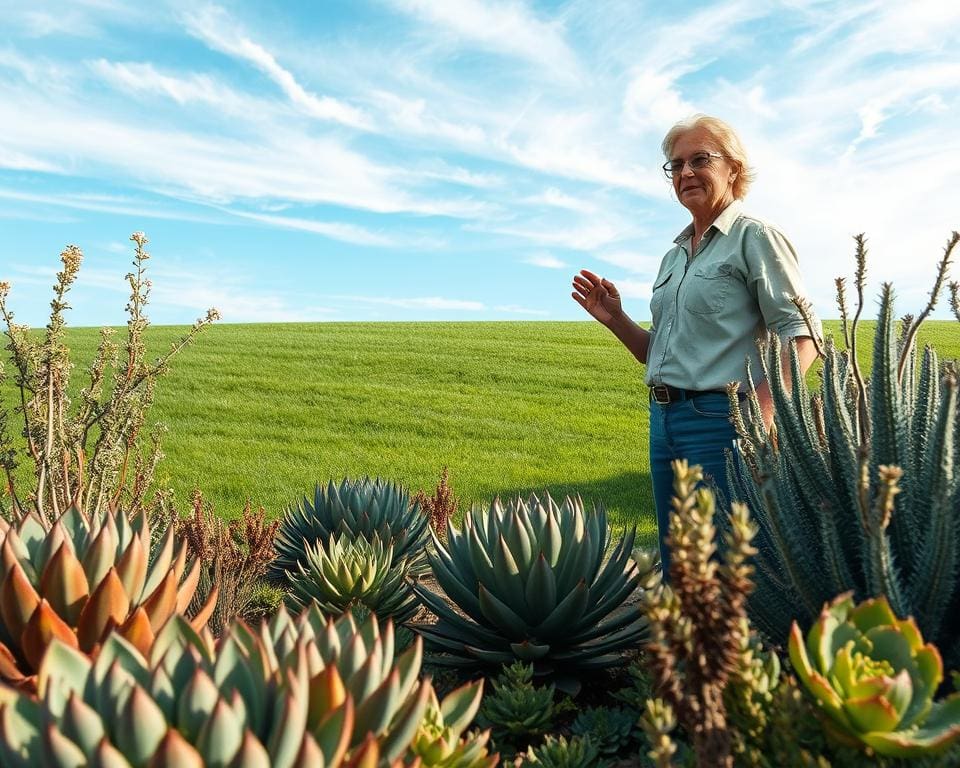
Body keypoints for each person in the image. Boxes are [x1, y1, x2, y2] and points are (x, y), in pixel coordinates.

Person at [571, 114, 821, 575]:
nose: (685, 173)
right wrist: (616, 319)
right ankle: (685, 648)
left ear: (734, 168)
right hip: (664, 418)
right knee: (679, 560)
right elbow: (660, 354)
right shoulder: (675, 254)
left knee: (723, 562)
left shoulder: (754, 237)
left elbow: (803, 335)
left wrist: (761, 415)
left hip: (723, 422)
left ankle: (730, 648)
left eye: (699, 159)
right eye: (676, 164)